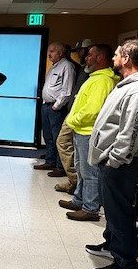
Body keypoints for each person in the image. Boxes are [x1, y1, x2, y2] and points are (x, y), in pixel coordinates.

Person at [85, 39, 138, 269]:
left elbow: (131, 132)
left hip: (120, 164)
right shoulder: (127, 85)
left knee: (120, 213)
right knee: (113, 210)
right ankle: (112, 245)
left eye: (117, 54)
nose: (114, 57)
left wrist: (114, 160)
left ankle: (125, 262)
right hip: (110, 159)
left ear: (126, 58)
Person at [57, 44, 119, 221]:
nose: (86, 58)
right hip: (81, 130)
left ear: (99, 58)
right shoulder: (95, 77)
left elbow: (93, 111)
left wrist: (72, 120)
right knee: (81, 168)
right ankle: (79, 199)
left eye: (90, 55)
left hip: (88, 131)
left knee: (90, 172)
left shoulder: (102, 81)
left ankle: (90, 208)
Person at [34, 42, 76, 176]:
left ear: (60, 53)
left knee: (58, 137)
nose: (49, 54)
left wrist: (56, 106)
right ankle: (50, 160)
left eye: (52, 51)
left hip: (56, 108)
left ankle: (60, 166)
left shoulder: (67, 67)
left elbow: (67, 91)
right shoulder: (53, 67)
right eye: (49, 51)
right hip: (46, 105)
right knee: (48, 136)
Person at [55, 39, 92, 193]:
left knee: (64, 143)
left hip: (80, 117)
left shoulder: (94, 74)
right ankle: (75, 181)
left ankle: (76, 181)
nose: (80, 54)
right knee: (69, 147)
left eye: (82, 51)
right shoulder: (82, 69)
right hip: (73, 113)